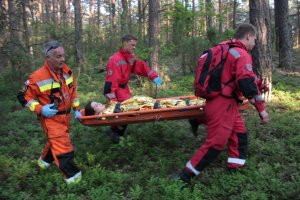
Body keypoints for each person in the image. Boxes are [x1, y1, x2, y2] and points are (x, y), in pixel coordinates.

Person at [176, 23, 270, 184]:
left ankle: (235, 168)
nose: (254, 44)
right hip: (223, 102)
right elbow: (246, 83)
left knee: (239, 134)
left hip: (220, 101)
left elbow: (241, 74)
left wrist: (259, 84)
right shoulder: (241, 53)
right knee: (216, 144)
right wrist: (261, 110)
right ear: (248, 36)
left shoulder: (226, 48)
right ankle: (184, 176)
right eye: (254, 40)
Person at [17, 40, 82, 184]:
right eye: (58, 56)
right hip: (51, 119)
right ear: (48, 58)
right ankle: (74, 178)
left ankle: (43, 162)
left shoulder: (67, 71)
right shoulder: (37, 77)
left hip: (66, 117)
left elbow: (73, 92)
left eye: (63, 56)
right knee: (63, 145)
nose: (62, 59)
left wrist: (77, 109)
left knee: (56, 141)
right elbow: (22, 96)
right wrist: (40, 109)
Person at [103, 34, 163, 143]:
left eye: (135, 45)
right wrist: (113, 100)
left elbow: (142, 66)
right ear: (125, 43)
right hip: (116, 90)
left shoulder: (130, 57)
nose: (134, 47)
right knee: (124, 112)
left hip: (124, 89)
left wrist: (154, 77)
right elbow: (111, 82)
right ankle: (114, 133)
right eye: (132, 45)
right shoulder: (114, 59)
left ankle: (116, 132)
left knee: (128, 112)